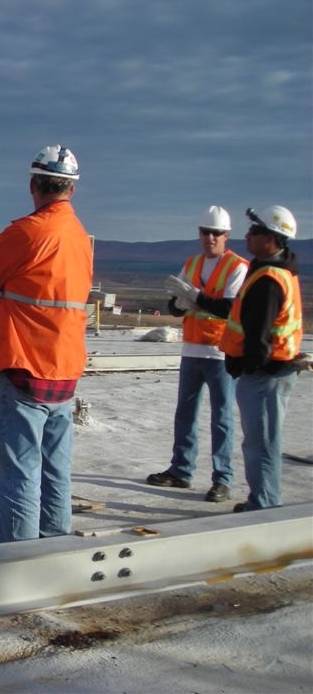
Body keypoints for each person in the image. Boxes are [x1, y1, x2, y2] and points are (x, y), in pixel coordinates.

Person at [0, 145, 93, 543]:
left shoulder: (28, 232)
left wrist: (4, 289)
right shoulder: (80, 239)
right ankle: (54, 552)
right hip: (65, 371)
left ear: (33, 185)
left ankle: (16, 564)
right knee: (55, 472)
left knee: (18, 477)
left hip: (25, 369)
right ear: (71, 189)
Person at [148, 207, 248, 503]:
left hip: (220, 353)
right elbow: (174, 306)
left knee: (222, 418)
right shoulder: (192, 264)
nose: (210, 237)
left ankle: (222, 478)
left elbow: (228, 308)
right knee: (186, 414)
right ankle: (181, 470)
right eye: (206, 231)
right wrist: (184, 303)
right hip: (192, 350)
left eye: (216, 233)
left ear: (226, 235)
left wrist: (193, 298)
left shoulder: (236, 266)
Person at [219, 205, 303, 512]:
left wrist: (244, 365)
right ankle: (263, 500)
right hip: (271, 372)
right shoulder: (276, 271)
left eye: (254, 231)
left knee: (261, 443)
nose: (247, 236)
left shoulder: (268, 280)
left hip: (265, 374)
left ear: (271, 238)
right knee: (260, 441)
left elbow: (259, 338)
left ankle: (264, 505)